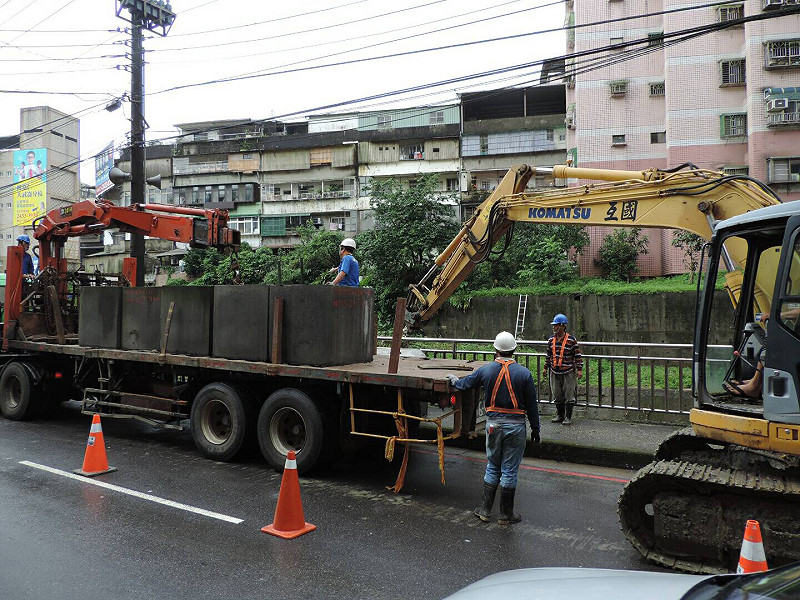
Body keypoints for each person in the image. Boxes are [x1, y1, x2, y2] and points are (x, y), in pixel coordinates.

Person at [446, 331, 540, 525]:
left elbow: (466, 384)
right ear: (514, 350)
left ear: (495, 349)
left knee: (493, 466)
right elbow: (532, 406)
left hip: (493, 426)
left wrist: (455, 380)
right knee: (509, 470)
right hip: (516, 428)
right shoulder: (524, 373)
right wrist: (536, 430)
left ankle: (485, 510)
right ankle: (506, 515)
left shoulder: (486, 370)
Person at [543, 313, 583, 425]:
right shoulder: (551, 340)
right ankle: (560, 415)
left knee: (569, 395)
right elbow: (548, 355)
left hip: (568, 372)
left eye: (555, 325)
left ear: (562, 326)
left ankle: (568, 417)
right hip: (554, 371)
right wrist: (545, 367)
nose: (554, 327)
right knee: (557, 394)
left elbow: (577, 355)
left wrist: (579, 369)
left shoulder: (571, 340)